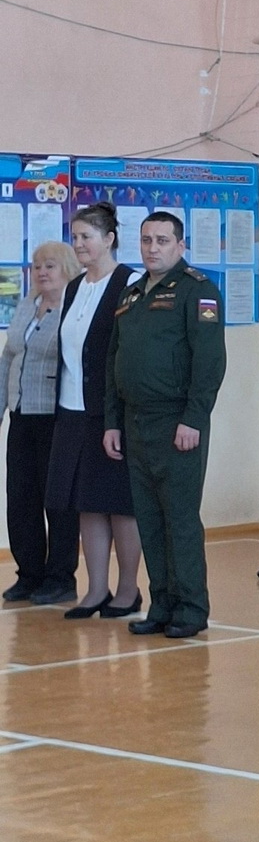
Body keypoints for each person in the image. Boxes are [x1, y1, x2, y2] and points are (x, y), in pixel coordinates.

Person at [104, 211, 227, 639]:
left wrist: (194, 418)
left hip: (176, 420)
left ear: (180, 245)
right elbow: (114, 362)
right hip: (135, 421)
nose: (152, 248)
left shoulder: (197, 290)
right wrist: (112, 422)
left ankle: (191, 608)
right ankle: (162, 604)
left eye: (162, 240)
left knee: (180, 518)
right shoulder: (132, 294)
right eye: (146, 240)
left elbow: (209, 361)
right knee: (149, 518)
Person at [44, 203, 142, 617]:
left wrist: (118, 413)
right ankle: (96, 589)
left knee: (119, 504)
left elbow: (129, 352)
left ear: (109, 239)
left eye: (87, 236)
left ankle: (128, 590)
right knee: (86, 503)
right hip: (72, 411)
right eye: (75, 236)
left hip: (110, 413)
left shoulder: (130, 283)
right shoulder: (74, 287)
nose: (79, 244)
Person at [0, 242, 82, 604]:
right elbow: (8, 357)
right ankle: (29, 573)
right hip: (22, 414)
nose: (42, 272)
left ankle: (60, 577)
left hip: (56, 417)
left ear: (67, 269)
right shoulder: (26, 306)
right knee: (21, 498)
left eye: (50, 265)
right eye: (37, 266)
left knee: (57, 500)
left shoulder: (74, 310)